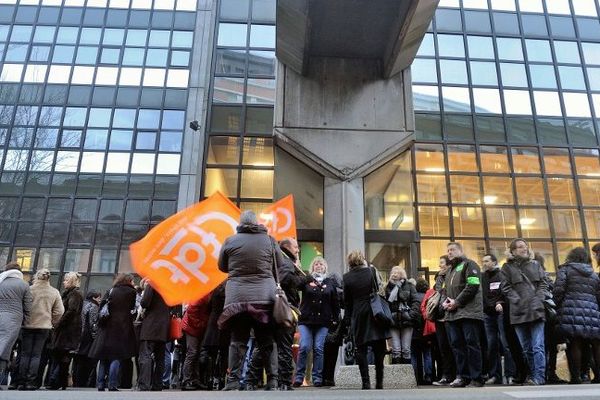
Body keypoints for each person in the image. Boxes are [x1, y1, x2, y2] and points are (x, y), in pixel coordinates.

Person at [217, 210, 281, 391]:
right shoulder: (269, 240)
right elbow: (281, 265)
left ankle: (233, 381)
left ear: (241, 223)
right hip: (264, 298)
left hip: (237, 299)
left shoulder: (230, 241)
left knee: (238, 340)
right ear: (256, 223)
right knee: (267, 340)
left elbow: (222, 266)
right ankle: (273, 380)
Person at [501, 238, 548, 385]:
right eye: (520, 247)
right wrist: (517, 299)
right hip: (518, 312)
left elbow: (544, 283)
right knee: (526, 348)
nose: (524, 249)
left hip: (536, 310)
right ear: (513, 251)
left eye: (525, 246)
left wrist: (539, 298)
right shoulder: (506, 267)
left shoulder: (536, 264)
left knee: (538, 346)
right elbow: (505, 287)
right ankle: (533, 375)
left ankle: (539, 377)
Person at [343, 250, 389, 390]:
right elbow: (380, 290)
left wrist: (348, 321)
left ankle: (365, 382)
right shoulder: (371, 271)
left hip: (358, 314)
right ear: (362, 259)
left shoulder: (346, 277)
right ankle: (379, 382)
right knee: (379, 349)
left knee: (361, 348)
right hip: (375, 312)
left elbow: (347, 302)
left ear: (349, 262)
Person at [553, 247, 600, 384]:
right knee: (596, 345)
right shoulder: (593, 274)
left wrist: (557, 306)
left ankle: (576, 377)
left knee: (575, 343)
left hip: (571, 310)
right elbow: (598, 294)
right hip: (592, 311)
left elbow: (558, 290)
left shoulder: (565, 270)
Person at [442, 242, 484, 388]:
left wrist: (457, 302)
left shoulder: (470, 264)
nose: (450, 252)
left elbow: (473, 285)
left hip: (469, 312)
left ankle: (476, 378)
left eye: (452, 249)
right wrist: (445, 303)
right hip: (453, 314)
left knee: (472, 344)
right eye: (448, 250)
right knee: (457, 346)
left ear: (461, 250)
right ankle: (463, 377)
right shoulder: (449, 271)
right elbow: (444, 291)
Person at [293, 257, 340, 388]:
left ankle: (317, 378)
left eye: (321, 264)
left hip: (323, 321)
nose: (318, 265)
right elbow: (296, 285)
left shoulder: (330, 282)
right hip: (306, 320)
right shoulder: (307, 280)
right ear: (313, 267)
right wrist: (298, 270)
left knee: (319, 348)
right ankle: (299, 377)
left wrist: (336, 318)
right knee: (304, 347)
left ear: (325, 267)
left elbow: (334, 302)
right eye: (316, 264)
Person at [15, 269, 63, 390]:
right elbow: (59, 311)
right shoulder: (54, 292)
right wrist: (52, 321)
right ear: (49, 278)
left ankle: (21, 382)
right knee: (36, 355)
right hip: (44, 326)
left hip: (27, 325)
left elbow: (21, 306)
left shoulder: (29, 289)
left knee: (25, 354)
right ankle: (31, 382)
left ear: (36, 277)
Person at [89, 273, 138, 391]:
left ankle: (100, 384)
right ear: (129, 281)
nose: (133, 283)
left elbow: (102, 307)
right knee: (116, 356)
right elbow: (132, 307)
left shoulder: (111, 290)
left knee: (103, 357)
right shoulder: (132, 292)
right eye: (132, 281)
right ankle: (112, 384)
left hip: (106, 327)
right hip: (122, 327)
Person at [481, 254, 515, 385]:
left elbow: (505, 290)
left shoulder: (501, 274)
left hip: (501, 311)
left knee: (506, 344)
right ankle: (495, 375)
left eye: (487, 261)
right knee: (491, 345)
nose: (484, 263)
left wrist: (500, 302)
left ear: (494, 262)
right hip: (487, 314)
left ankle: (510, 374)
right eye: (483, 261)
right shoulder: (482, 276)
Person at [47, 272, 83, 390]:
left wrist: (58, 323)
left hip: (68, 330)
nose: (63, 282)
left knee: (63, 355)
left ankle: (57, 381)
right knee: (61, 355)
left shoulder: (75, 294)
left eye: (66, 280)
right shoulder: (68, 294)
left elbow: (71, 311)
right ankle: (60, 382)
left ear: (71, 281)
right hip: (65, 329)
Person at [137, 279, 171, 391]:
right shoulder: (169, 285)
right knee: (160, 358)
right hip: (163, 327)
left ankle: (144, 385)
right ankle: (157, 385)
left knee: (146, 355)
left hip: (151, 326)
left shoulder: (153, 282)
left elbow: (144, 302)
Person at [384, 266, 420, 365]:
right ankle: (396, 377)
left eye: (397, 272)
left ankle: (406, 377)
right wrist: (392, 286)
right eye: (393, 272)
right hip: (393, 320)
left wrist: (411, 315)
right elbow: (387, 302)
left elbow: (416, 301)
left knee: (406, 350)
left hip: (407, 320)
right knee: (396, 350)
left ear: (402, 274)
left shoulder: (409, 285)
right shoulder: (388, 287)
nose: (394, 274)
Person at [432, 255, 455, 386]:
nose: (440, 265)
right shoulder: (439, 277)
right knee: (443, 348)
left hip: (450, 316)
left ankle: (457, 375)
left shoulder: (452, 276)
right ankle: (446, 376)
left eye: (442, 263)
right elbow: (438, 292)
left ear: (448, 264)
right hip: (439, 316)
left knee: (454, 346)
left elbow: (447, 292)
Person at [181, 295, 211, 390]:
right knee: (192, 353)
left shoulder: (205, 294)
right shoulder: (200, 296)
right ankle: (186, 381)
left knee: (196, 354)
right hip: (192, 327)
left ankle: (195, 380)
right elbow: (191, 311)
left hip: (195, 326)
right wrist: (202, 324)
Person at [72, 289, 101, 388]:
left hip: (79, 335)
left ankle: (76, 381)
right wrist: (95, 337)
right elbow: (93, 323)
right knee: (86, 361)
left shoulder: (83, 304)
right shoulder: (93, 306)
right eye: (98, 298)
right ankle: (83, 382)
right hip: (87, 337)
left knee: (78, 360)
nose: (100, 300)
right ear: (94, 298)